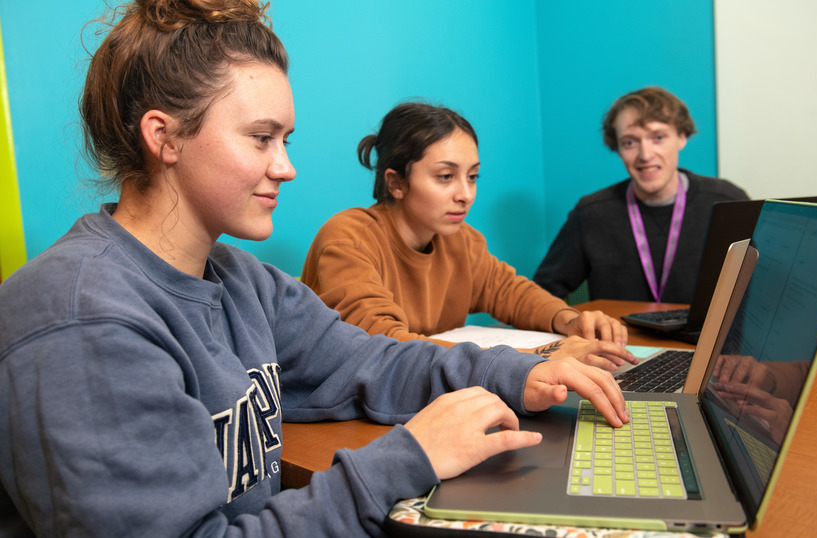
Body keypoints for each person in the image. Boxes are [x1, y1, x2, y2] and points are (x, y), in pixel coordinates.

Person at [0, 1, 630, 536]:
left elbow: (370, 361)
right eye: (260, 138)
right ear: (165, 137)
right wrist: (407, 458)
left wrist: (521, 374)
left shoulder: (244, 281)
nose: (286, 167)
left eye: (287, 140)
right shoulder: (80, 319)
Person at [300, 102, 636, 371]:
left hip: (422, 387)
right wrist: (540, 355)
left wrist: (570, 321)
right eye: (446, 176)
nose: (466, 194)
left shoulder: (461, 239)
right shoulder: (348, 239)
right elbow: (386, 346)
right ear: (396, 183)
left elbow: (509, 291)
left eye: (472, 176)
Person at [534, 86, 749, 304]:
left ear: (681, 137)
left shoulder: (728, 202)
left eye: (658, 137)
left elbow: (764, 289)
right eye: (629, 142)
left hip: (703, 339)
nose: (645, 155)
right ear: (617, 149)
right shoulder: (592, 213)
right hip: (618, 337)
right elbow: (540, 296)